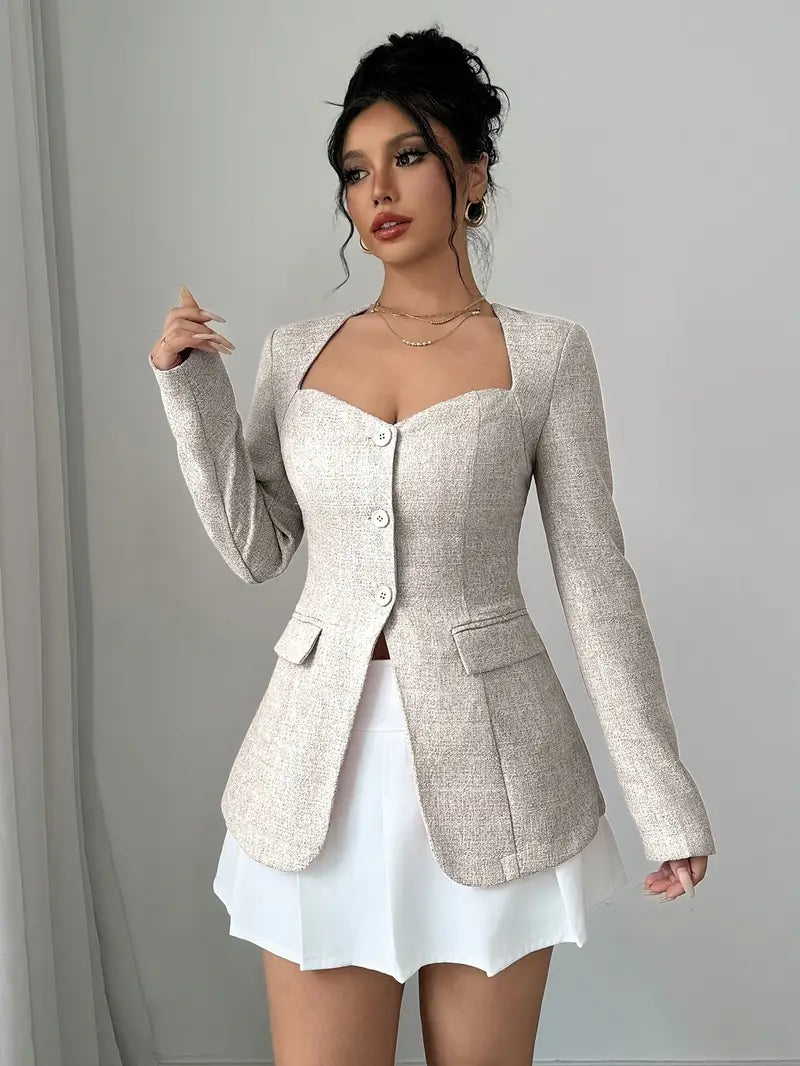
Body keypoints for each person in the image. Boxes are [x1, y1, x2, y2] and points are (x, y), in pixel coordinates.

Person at [149, 25, 715, 1066]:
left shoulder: (545, 357)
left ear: (474, 174)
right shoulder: (293, 355)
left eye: (408, 155)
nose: (378, 190)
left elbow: (595, 581)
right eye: (354, 170)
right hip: (314, 775)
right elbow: (256, 548)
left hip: (498, 774)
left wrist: (663, 801)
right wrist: (194, 394)